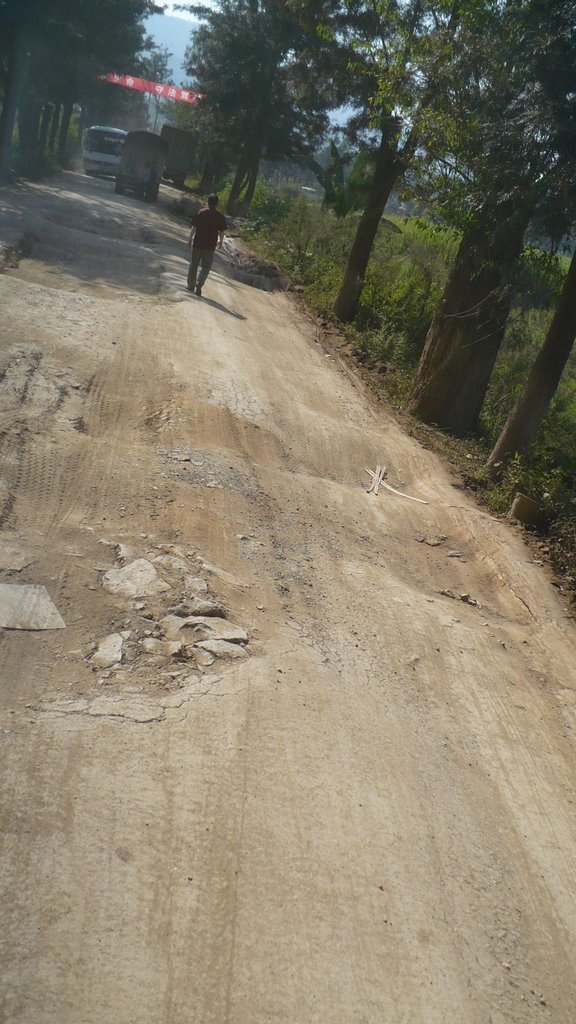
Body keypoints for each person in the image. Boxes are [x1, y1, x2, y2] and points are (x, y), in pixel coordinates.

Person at [186, 193, 227, 296]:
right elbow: (222, 232)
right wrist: (221, 243)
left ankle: (191, 286)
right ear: (217, 204)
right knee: (206, 267)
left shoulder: (201, 212)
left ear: (208, 202)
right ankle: (200, 282)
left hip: (198, 243)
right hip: (210, 246)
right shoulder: (220, 217)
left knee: (193, 265)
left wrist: (190, 239)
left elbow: (194, 227)